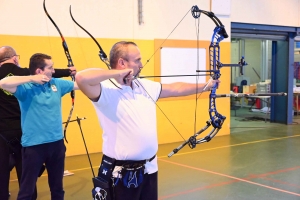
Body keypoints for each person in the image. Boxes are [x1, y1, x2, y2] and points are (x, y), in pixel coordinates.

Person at [75, 41, 219, 200]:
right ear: (122, 63)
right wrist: (115, 73)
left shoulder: (144, 86)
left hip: (149, 169)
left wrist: (206, 85)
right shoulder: (105, 90)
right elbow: (81, 77)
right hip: (120, 174)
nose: (141, 65)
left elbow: (175, 88)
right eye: (137, 60)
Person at [0, 46, 77, 200]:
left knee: (57, 189)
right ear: (39, 71)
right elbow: (3, 83)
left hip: (56, 144)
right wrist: (31, 78)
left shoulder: (56, 84)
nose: (53, 70)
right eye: (50, 67)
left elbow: (81, 83)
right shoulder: (25, 86)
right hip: (33, 146)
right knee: (26, 190)